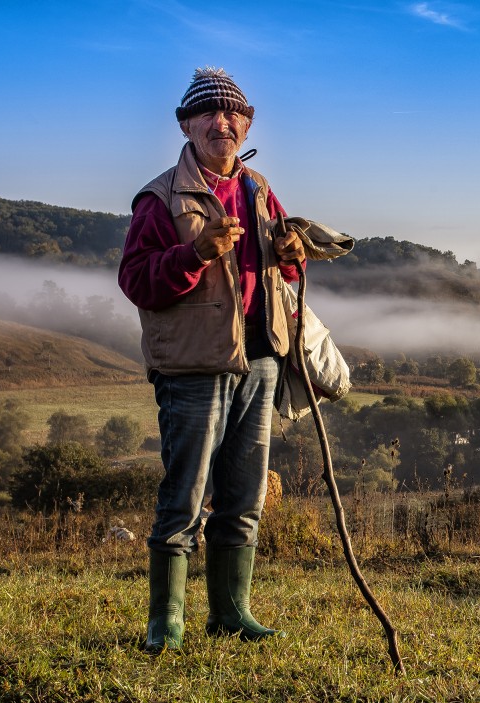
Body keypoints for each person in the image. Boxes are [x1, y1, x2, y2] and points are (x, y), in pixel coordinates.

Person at [118, 67, 305, 652]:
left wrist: (293, 253)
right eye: (209, 114)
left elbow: (285, 272)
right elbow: (136, 280)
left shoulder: (259, 189)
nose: (222, 123)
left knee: (244, 497)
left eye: (233, 114)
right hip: (195, 367)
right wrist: (194, 253)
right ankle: (165, 624)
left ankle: (231, 613)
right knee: (184, 498)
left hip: (261, 360)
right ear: (186, 125)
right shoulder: (160, 198)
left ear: (247, 124)